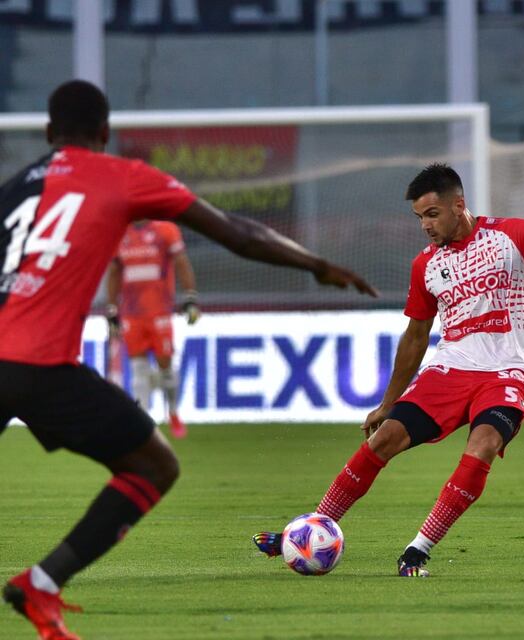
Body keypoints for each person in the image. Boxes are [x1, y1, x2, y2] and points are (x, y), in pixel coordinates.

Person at [0, 79, 377, 639]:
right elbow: (238, 233)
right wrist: (315, 264)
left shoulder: (12, 189)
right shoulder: (124, 176)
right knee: (154, 466)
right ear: (105, 133)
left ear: (50, 133)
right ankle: (43, 584)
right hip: (36, 364)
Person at [251, 163, 524, 577]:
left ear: (458, 206)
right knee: (385, 439)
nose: (425, 226)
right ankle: (310, 529)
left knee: (483, 443)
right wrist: (387, 403)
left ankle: (417, 550)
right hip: (449, 369)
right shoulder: (426, 265)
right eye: (419, 218)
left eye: (432, 215)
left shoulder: (511, 236)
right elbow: (415, 337)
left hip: (506, 371)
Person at [105, 220, 200, 438]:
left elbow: (181, 262)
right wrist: (112, 309)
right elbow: (114, 270)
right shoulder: (120, 233)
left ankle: (173, 412)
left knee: (165, 364)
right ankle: (144, 420)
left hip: (160, 311)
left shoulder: (165, 230)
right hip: (131, 313)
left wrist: (190, 297)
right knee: (138, 367)